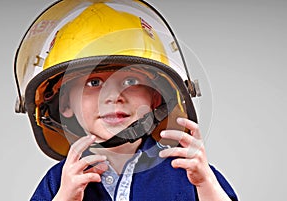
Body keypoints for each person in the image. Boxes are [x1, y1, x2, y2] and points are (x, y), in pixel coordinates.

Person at [14, 1, 238, 200]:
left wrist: (206, 185)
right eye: (94, 83)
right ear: (65, 105)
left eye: (130, 80)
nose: (112, 97)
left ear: (156, 97)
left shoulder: (188, 171)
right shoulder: (59, 181)